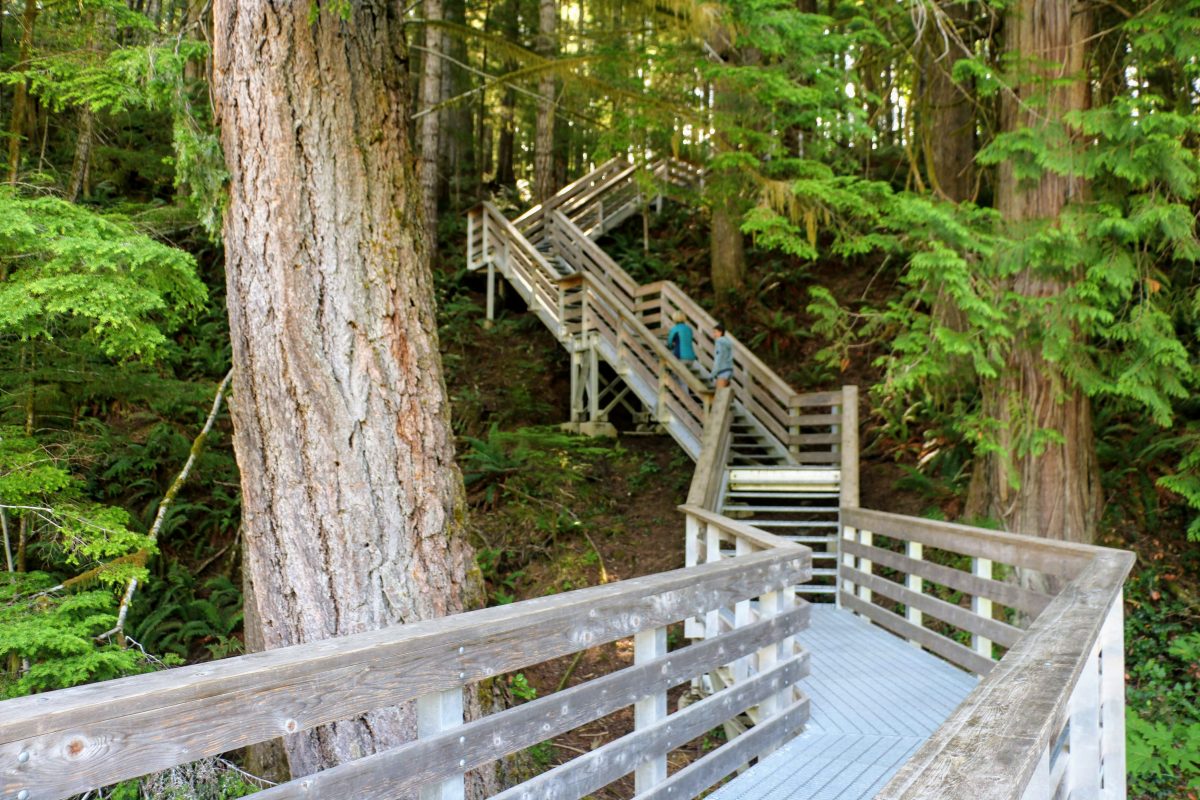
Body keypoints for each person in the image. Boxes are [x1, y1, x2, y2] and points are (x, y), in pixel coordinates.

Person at [711, 323, 733, 388]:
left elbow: (718, 357)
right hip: (729, 369)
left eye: (715, 332)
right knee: (724, 394)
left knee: (720, 395)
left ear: (720, 332)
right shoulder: (727, 342)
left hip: (722, 371)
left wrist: (713, 373)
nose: (714, 334)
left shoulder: (719, 342)